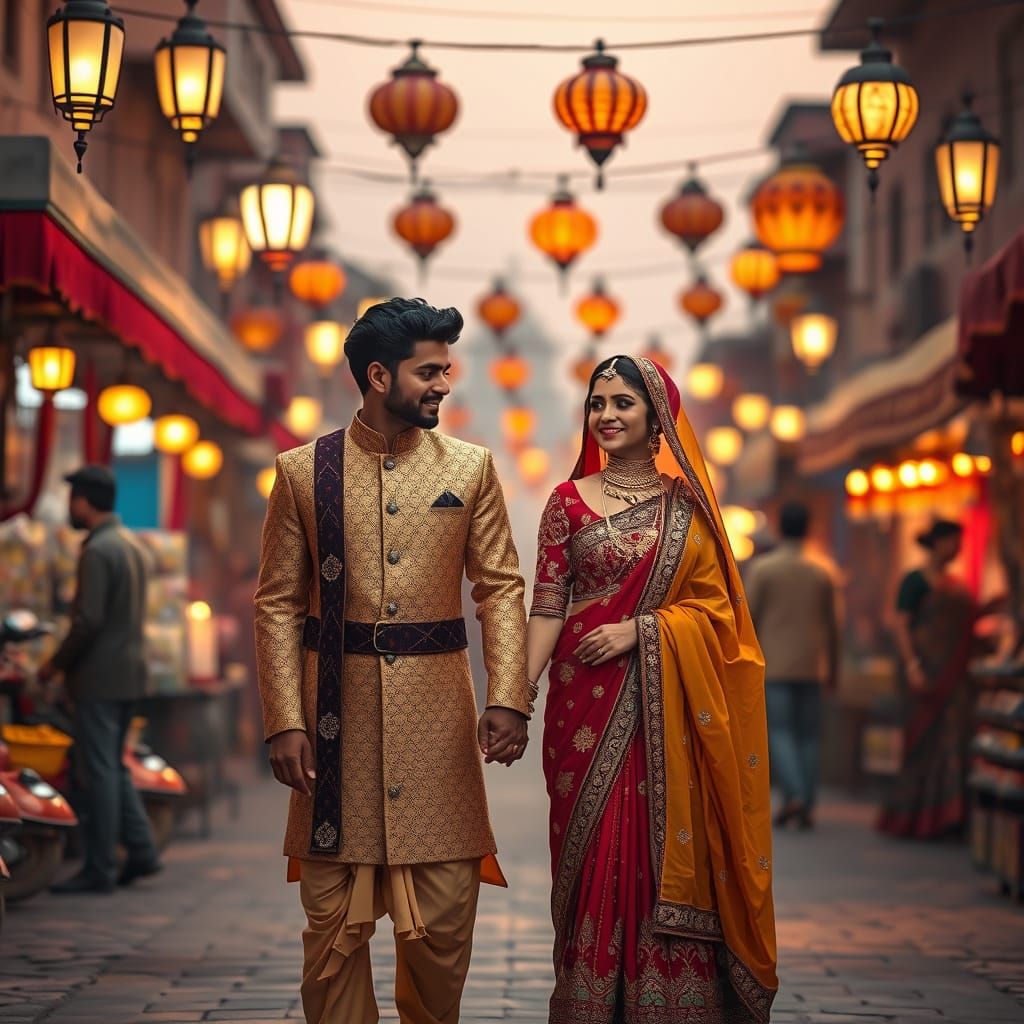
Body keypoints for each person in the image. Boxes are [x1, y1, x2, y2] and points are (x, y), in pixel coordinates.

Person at [255, 297, 533, 1024]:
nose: (445, 383)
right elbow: (279, 603)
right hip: (332, 732)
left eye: (447, 369)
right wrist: (285, 718)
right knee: (331, 938)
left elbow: (501, 586)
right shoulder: (301, 472)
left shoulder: (470, 469)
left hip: (438, 732)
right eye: (430, 371)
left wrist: (508, 696)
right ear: (379, 376)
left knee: (443, 932)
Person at [526, 355, 777, 1024]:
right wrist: (513, 695)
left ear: (656, 418)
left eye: (622, 404)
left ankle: (669, 999)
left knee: (659, 848)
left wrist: (643, 631)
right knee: (591, 852)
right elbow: (548, 605)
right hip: (582, 704)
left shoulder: (687, 508)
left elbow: (719, 612)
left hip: (666, 707)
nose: (606, 416)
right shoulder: (566, 502)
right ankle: (589, 998)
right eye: (597, 403)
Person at [39, 465, 161, 893]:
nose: (71, 507)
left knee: (100, 770)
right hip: (130, 673)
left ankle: (100, 866)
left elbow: (88, 620)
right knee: (114, 767)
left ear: (84, 502)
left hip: (100, 677)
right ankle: (142, 850)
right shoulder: (130, 545)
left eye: (73, 498)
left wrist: (55, 664)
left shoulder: (98, 550)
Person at [878, 519, 977, 838]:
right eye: (954, 542)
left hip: (953, 678)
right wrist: (912, 666)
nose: (958, 549)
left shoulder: (957, 585)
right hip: (923, 674)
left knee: (951, 741)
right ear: (937, 543)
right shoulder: (914, 581)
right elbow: (901, 626)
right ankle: (914, 817)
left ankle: (945, 818)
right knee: (920, 742)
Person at [745, 501, 839, 830]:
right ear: (809, 528)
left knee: (781, 733)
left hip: (774, 666)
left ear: (780, 528)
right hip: (813, 666)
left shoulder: (763, 569)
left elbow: (747, 620)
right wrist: (834, 670)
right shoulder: (822, 570)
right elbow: (833, 626)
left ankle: (795, 795)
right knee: (809, 736)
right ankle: (806, 801)